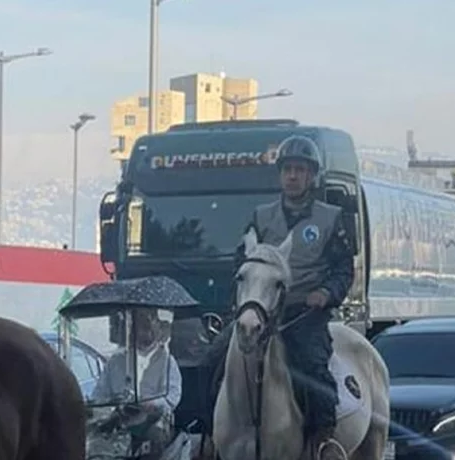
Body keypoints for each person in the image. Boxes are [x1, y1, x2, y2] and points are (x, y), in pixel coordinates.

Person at [206, 135, 354, 460]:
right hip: (260, 310)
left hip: (304, 314)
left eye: (300, 170)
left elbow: (345, 269)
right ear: (280, 174)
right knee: (213, 358)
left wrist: (327, 293)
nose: (293, 176)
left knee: (315, 370)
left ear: (312, 176)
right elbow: (240, 263)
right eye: (287, 169)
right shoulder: (260, 217)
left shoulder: (330, 218)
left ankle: (323, 440)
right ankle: (205, 437)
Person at [90, 308, 182, 459]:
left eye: (149, 327)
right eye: (141, 327)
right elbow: (100, 395)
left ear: (158, 330)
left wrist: (152, 404)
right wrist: (107, 406)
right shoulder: (116, 362)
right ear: (131, 330)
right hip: (118, 421)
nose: (146, 333)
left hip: (153, 422)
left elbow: (172, 397)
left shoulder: (167, 362)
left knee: (154, 439)